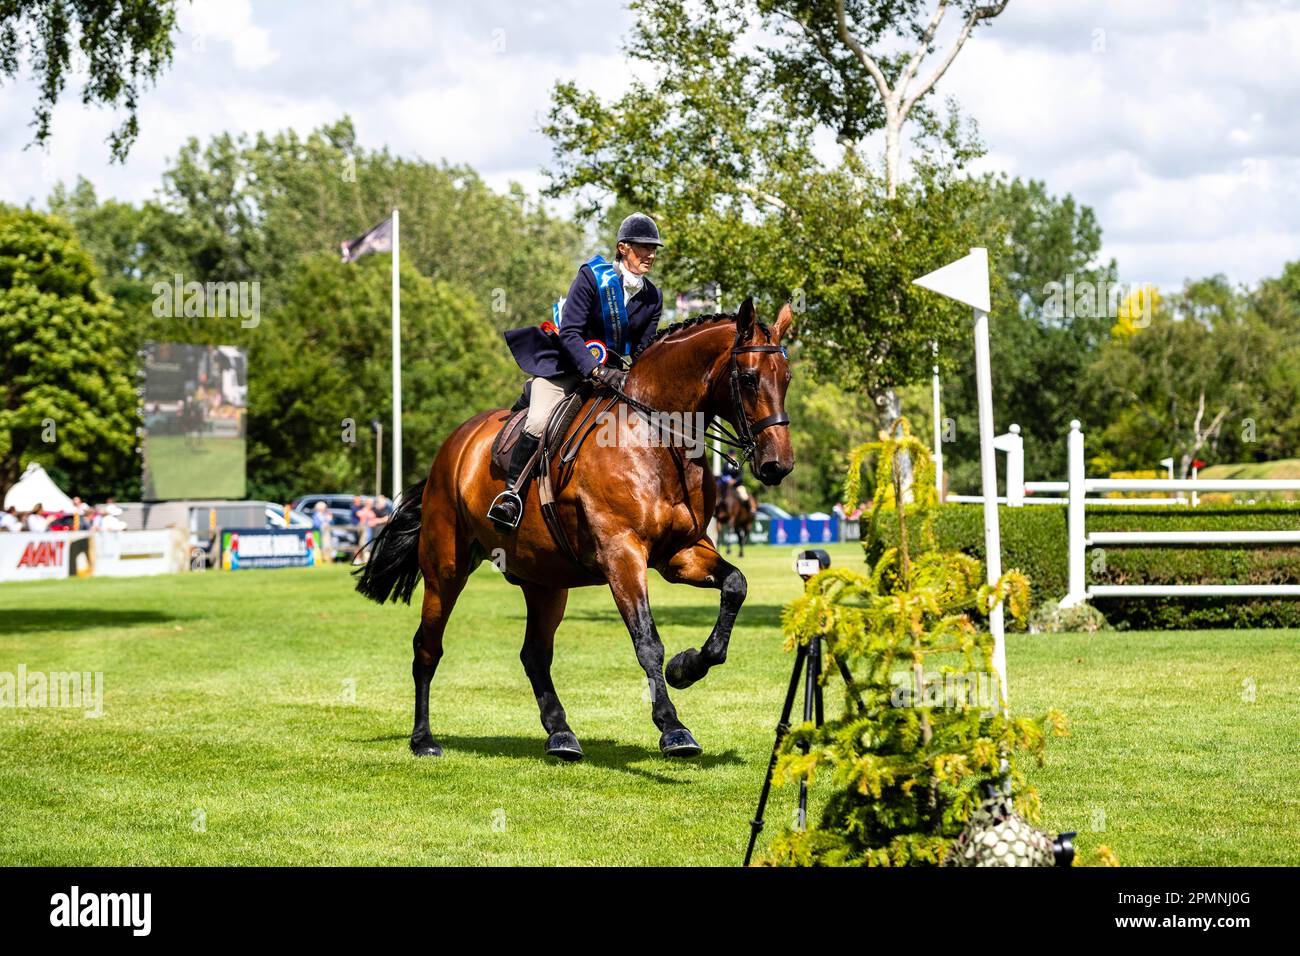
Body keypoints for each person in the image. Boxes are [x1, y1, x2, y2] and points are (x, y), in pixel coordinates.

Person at [489, 212, 666, 530]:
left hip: (615, 378)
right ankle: (511, 495)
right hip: (568, 369)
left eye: (654, 248)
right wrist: (595, 370)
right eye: (643, 247)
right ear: (623, 248)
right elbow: (569, 332)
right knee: (540, 419)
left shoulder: (653, 297)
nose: (650, 254)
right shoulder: (591, 276)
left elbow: (643, 349)